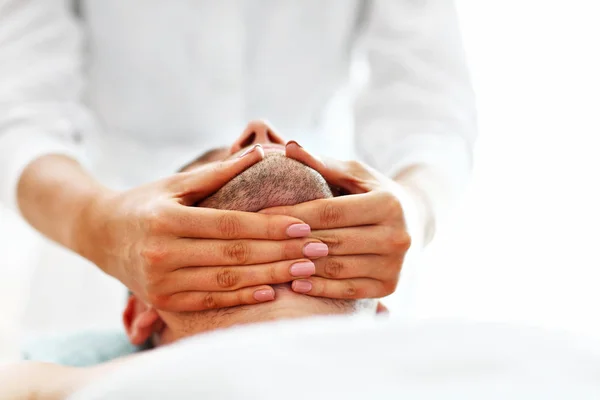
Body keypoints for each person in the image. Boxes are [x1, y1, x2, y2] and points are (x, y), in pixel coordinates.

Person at [0, 2, 477, 314]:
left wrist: (415, 207)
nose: (259, 137)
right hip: (93, 216)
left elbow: (429, 110)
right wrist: (95, 223)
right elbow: (21, 113)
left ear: (377, 316)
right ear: (142, 318)